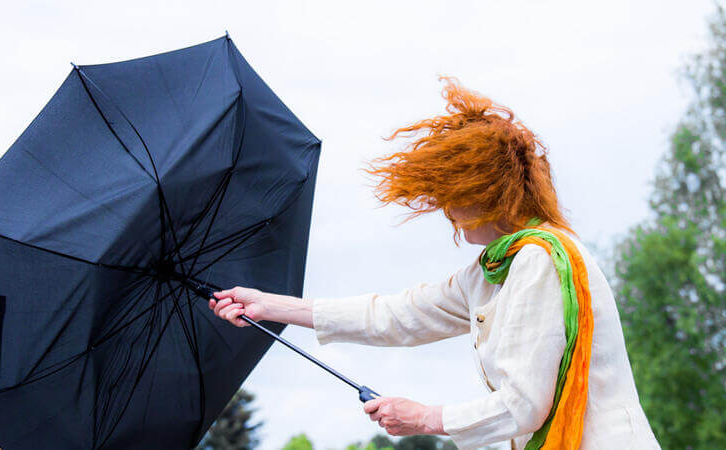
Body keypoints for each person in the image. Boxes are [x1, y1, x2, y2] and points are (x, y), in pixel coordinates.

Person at [207, 78, 660, 449]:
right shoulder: (492, 272)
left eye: (452, 199)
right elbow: (394, 315)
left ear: (483, 195)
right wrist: (269, 306)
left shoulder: (539, 261)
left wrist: (425, 417)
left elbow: (524, 406)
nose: (447, 212)